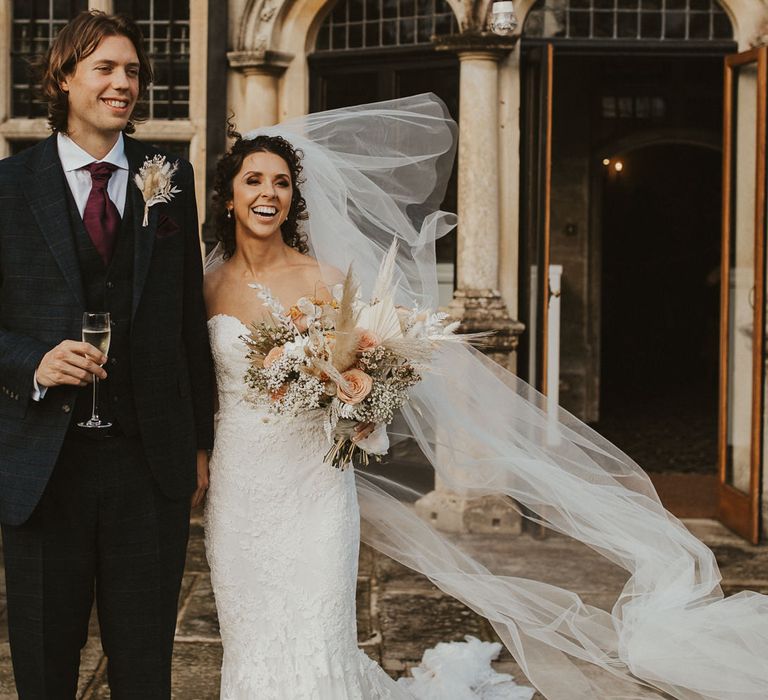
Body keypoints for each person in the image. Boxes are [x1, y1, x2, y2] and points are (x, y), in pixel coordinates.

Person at [204, 95, 768, 700]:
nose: (269, 193)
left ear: (294, 198)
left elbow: (378, 386)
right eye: (254, 179)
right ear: (230, 194)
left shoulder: (326, 280)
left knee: (318, 632)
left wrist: (355, 408)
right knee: (252, 635)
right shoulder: (204, 285)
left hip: (315, 489)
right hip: (241, 486)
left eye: (282, 182)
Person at [0, 10, 213, 698]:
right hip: (42, 464)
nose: (124, 84)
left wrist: (200, 445)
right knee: (43, 662)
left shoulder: (169, 176)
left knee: (145, 664)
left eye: (133, 71)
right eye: (106, 69)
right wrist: (34, 361)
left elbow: (188, 323)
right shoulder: (7, 187)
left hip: (147, 462)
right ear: (64, 79)